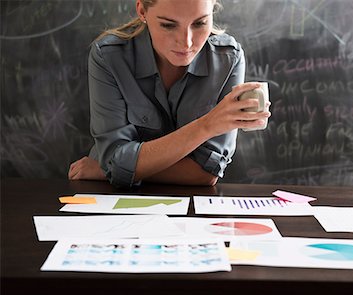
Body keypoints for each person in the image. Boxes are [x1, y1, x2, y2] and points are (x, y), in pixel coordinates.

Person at [68, 0, 270, 188]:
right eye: (168, 25)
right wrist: (208, 125)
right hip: (112, 201)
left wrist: (113, 170)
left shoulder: (228, 59)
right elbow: (115, 159)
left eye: (200, 23)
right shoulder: (109, 56)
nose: (186, 42)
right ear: (142, 11)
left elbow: (205, 174)